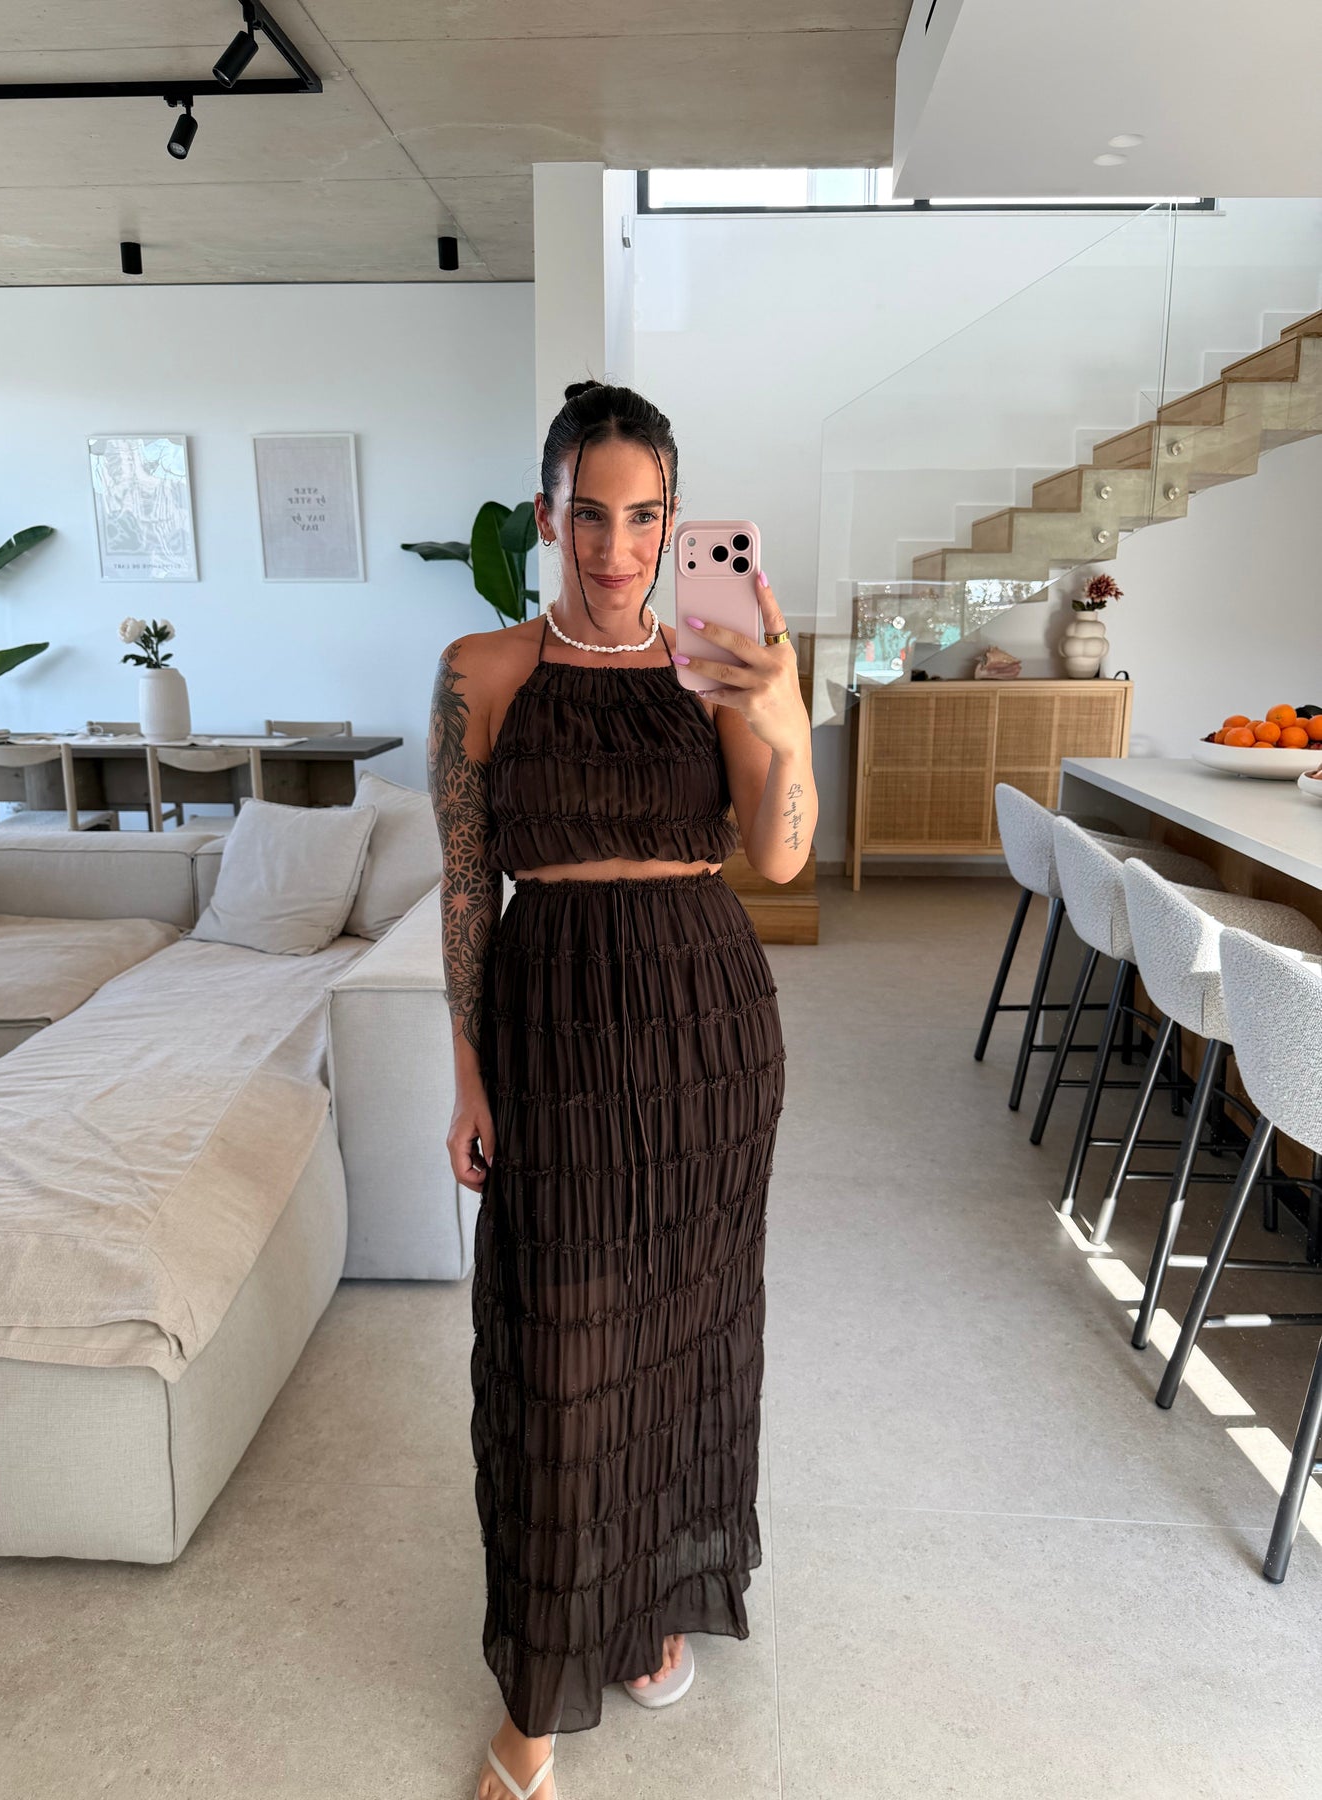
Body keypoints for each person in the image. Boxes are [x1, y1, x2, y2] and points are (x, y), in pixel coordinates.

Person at [427, 380, 815, 1800]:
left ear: (674, 524)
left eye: (645, 518)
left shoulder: (720, 659)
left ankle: (649, 1597)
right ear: (545, 518)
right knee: (564, 1346)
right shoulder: (481, 672)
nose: (615, 549)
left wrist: (783, 714)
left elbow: (779, 854)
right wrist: (467, 1072)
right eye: (586, 516)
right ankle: (536, 1705)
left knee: (685, 1328)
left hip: (706, 1030)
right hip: (552, 1030)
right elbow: (465, 888)